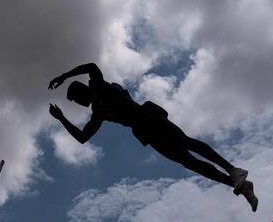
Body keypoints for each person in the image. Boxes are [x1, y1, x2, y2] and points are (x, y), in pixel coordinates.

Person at [48, 62, 258, 211]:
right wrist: (61, 118)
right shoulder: (98, 113)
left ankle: (233, 170)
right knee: (188, 162)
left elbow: (92, 67)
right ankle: (239, 186)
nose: (77, 104)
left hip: (149, 118)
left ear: (80, 92)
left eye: (75, 100)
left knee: (186, 142)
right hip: (145, 132)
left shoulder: (99, 86)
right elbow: (83, 137)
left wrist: (65, 76)